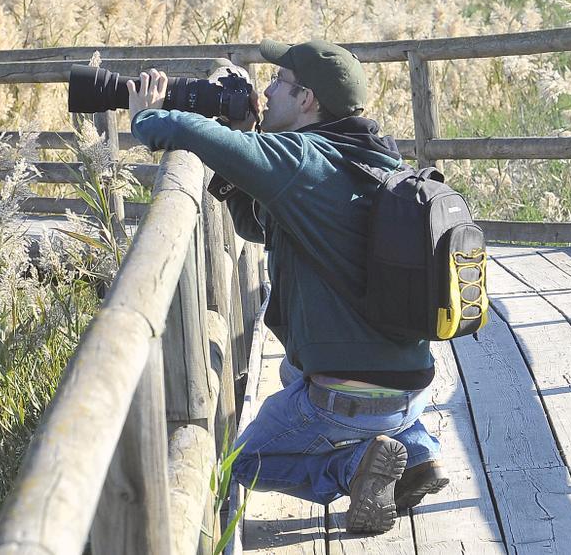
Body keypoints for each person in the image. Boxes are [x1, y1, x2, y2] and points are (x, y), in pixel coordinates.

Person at [126, 40, 448, 534]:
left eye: (278, 82)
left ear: (307, 101)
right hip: (413, 389)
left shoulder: (300, 158)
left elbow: (188, 131)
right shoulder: (373, 155)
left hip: (350, 403)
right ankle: (419, 449)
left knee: (229, 469)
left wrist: (148, 115)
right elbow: (261, 228)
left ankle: (354, 465)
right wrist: (242, 146)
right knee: (292, 367)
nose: (266, 92)